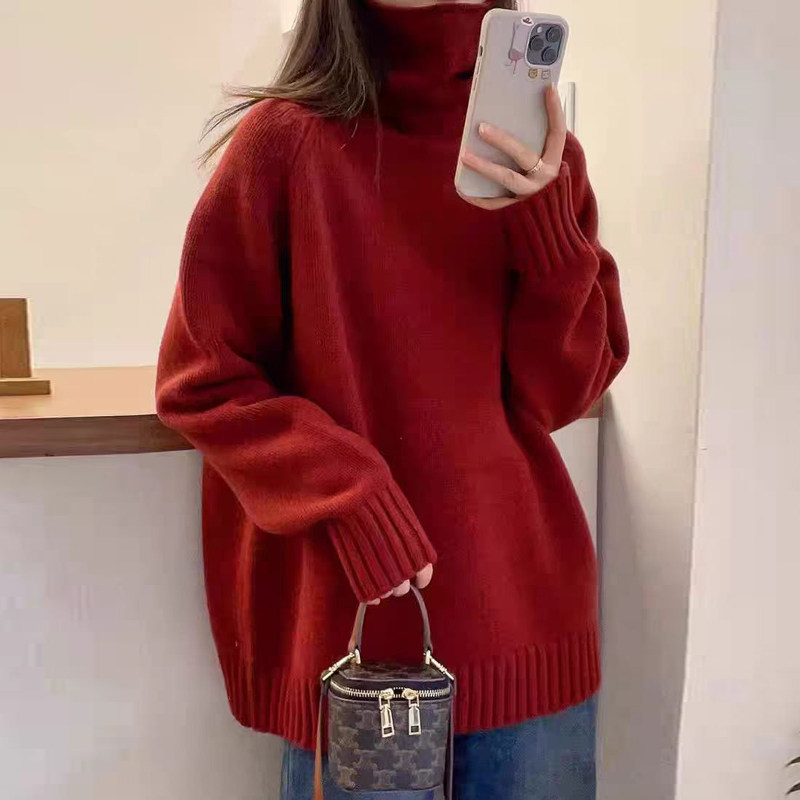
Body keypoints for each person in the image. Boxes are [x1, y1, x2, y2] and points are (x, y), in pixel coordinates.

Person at [156, 0, 629, 795]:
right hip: (360, 646)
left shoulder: (541, 154)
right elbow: (202, 379)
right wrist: (348, 490)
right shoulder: (285, 145)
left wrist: (546, 226)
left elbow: (560, 393)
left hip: (528, 618)